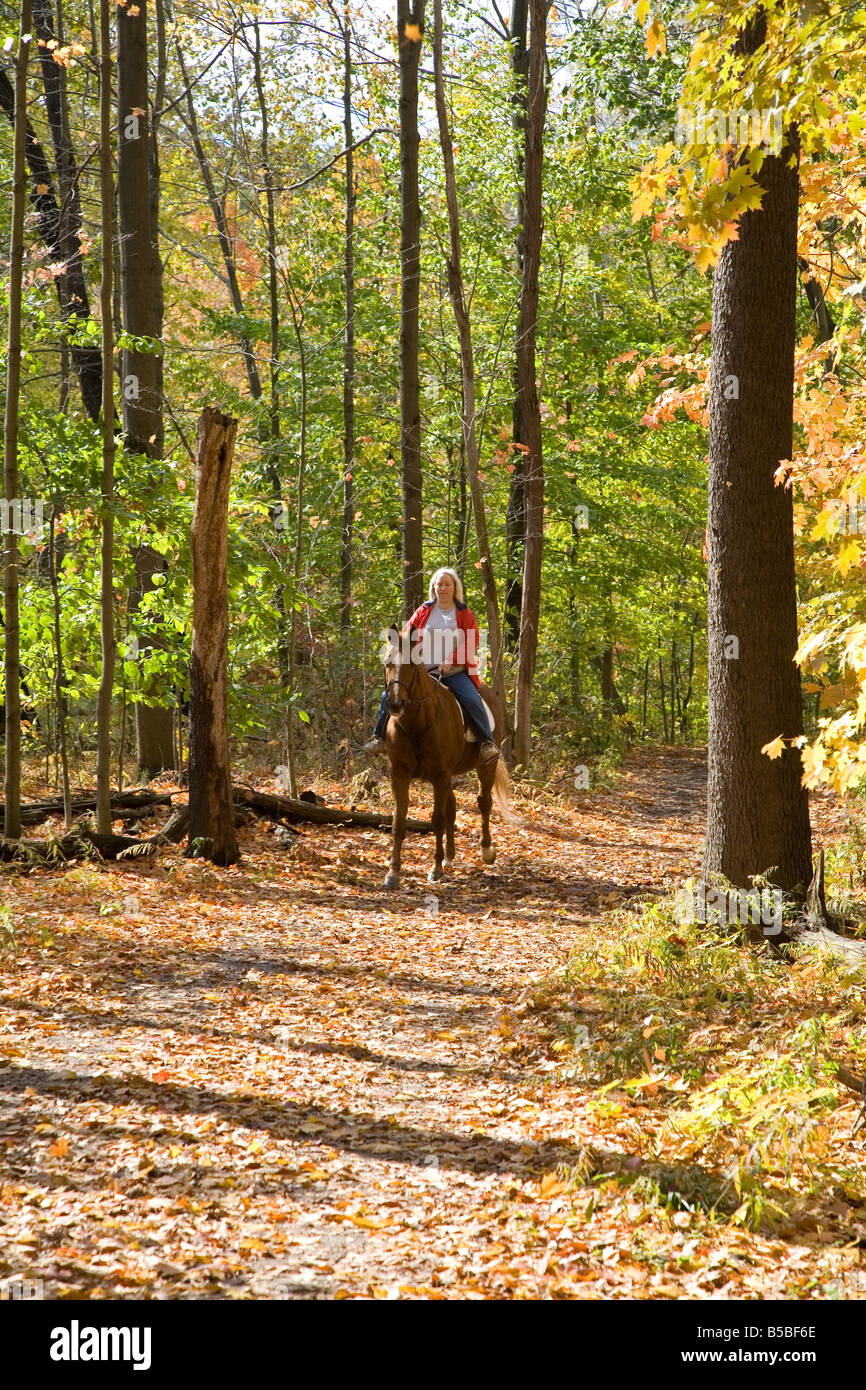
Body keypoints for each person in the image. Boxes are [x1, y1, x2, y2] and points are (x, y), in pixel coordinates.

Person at [364, 567, 499, 763]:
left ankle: (486, 742)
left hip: (454, 671)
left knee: (471, 699)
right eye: (439, 584)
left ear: (454, 588)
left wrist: (449, 661)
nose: (443, 588)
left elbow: (471, 643)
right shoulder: (424, 610)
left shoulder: (464, 614)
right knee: (389, 694)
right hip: (423, 671)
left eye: (447, 584)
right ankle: (379, 737)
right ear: (433, 587)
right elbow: (405, 638)